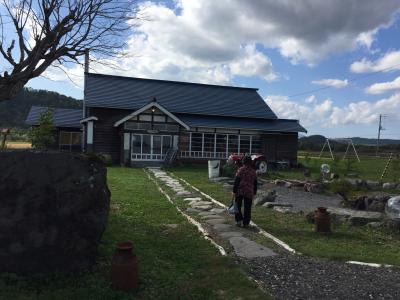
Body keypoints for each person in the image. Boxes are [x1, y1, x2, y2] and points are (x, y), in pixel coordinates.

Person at [232, 155, 258, 228]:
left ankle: (238, 221)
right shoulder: (253, 171)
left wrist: (234, 191)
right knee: (247, 208)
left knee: (237, 206)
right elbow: (255, 183)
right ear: (250, 162)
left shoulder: (240, 170)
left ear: (243, 162)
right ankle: (246, 223)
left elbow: (237, 181)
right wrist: (254, 192)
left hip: (240, 190)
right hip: (249, 191)